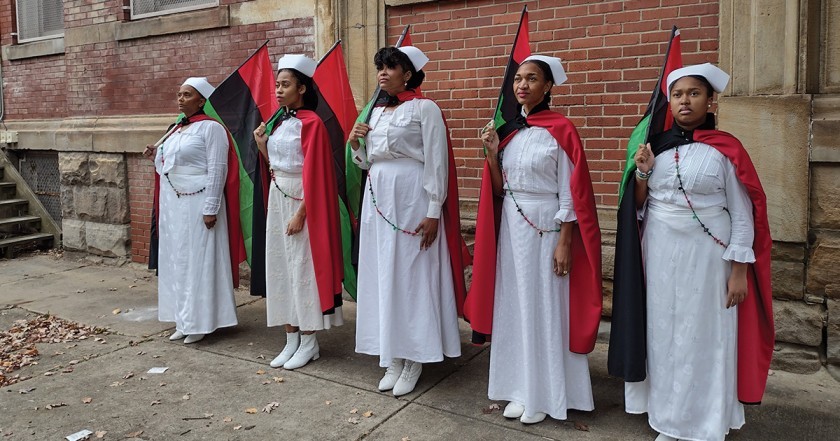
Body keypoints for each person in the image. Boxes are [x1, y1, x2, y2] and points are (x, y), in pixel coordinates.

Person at [612, 63, 774, 441]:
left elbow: (742, 212)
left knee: (703, 335)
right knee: (664, 333)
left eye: (694, 93)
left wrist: (738, 271)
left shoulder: (725, 150)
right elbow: (638, 206)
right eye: (679, 94)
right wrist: (643, 172)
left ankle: (704, 421)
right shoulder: (658, 147)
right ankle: (668, 419)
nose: (686, 101)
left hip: (707, 260)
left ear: (709, 99)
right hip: (661, 254)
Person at [465, 56, 602, 424]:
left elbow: (570, 192)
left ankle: (546, 393)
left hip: (546, 226)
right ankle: (519, 388)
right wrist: (493, 154)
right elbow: (499, 190)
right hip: (512, 227)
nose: (522, 85)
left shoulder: (561, 130)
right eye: (519, 79)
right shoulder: (509, 131)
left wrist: (565, 241)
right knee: (515, 305)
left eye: (532, 79)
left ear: (548, 87)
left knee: (544, 305)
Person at [347, 46, 469, 397]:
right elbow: (367, 161)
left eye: (390, 67)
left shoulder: (425, 108)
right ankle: (392, 354)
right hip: (379, 197)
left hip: (412, 197)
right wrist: (357, 143)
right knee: (383, 272)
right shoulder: (378, 111)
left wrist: (433, 211)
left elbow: (437, 161)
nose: (383, 73)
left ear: (409, 73)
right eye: (380, 67)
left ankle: (414, 355)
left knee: (411, 274)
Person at [252, 55, 344, 370]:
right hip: (279, 199)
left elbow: (317, 174)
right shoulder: (278, 122)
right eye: (277, 84)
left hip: (303, 203)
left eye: (285, 84)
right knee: (280, 267)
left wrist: (302, 213)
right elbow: (274, 167)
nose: (278, 90)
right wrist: (263, 145)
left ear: (302, 88)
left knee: (303, 269)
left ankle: (309, 341)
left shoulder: (312, 123)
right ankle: (290, 338)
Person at [144, 77, 240, 344]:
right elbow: (168, 166)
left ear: (201, 100)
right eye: (179, 94)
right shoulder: (175, 129)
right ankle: (182, 318)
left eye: (187, 95)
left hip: (199, 202)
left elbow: (218, 169)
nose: (180, 98)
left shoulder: (211, 129)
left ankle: (202, 320)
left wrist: (211, 207)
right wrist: (156, 156)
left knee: (198, 260)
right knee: (176, 260)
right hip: (174, 204)